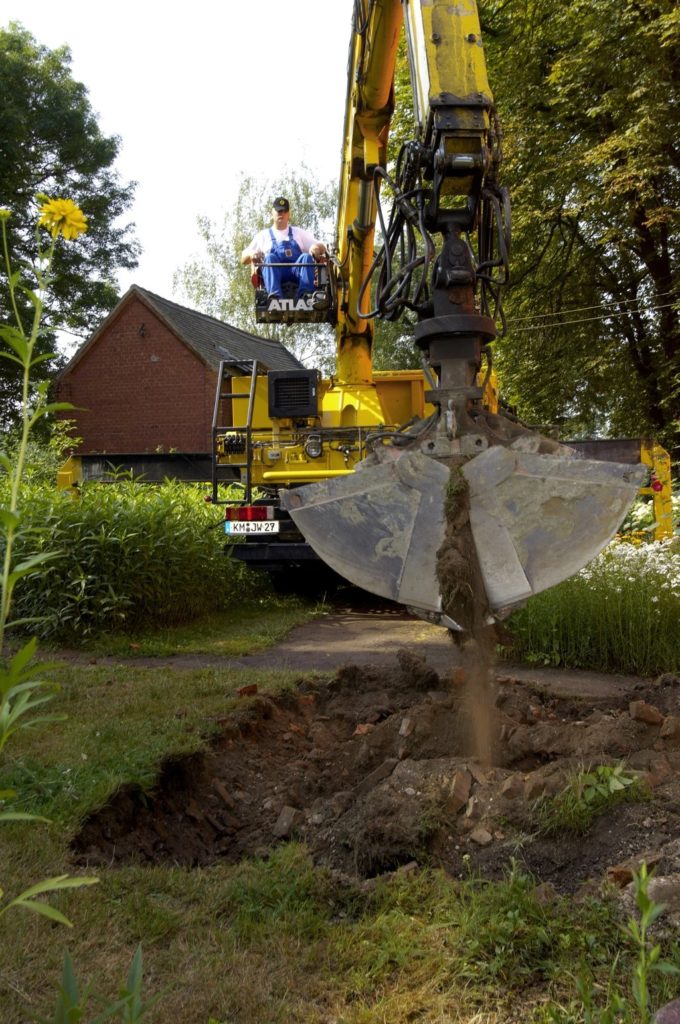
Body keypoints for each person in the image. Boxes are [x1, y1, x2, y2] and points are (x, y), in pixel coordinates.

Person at [240, 197, 327, 299]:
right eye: (279, 210)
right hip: (277, 273)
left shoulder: (298, 233)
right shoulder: (263, 236)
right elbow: (243, 258)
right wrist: (251, 254)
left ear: (289, 214)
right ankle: (274, 297)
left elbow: (322, 246)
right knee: (269, 258)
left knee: (306, 257)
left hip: (296, 272)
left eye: (285, 211)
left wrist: (316, 247)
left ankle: (306, 295)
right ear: (272, 212)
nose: (282, 213)